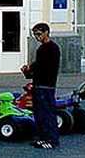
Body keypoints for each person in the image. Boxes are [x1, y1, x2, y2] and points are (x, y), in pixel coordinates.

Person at [22, 22, 61, 150]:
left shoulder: (52, 48)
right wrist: (29, 70)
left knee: (46, 114)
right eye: (35, 35)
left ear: (46, 32)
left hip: (46, 86)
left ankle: (51, 140)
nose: (37, 37)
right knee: (39, 114)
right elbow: (38, 65)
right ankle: (43, 137)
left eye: (39, 34)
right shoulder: (42, 49)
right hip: (39, 85)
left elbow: (45, 68)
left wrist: (32, 70)